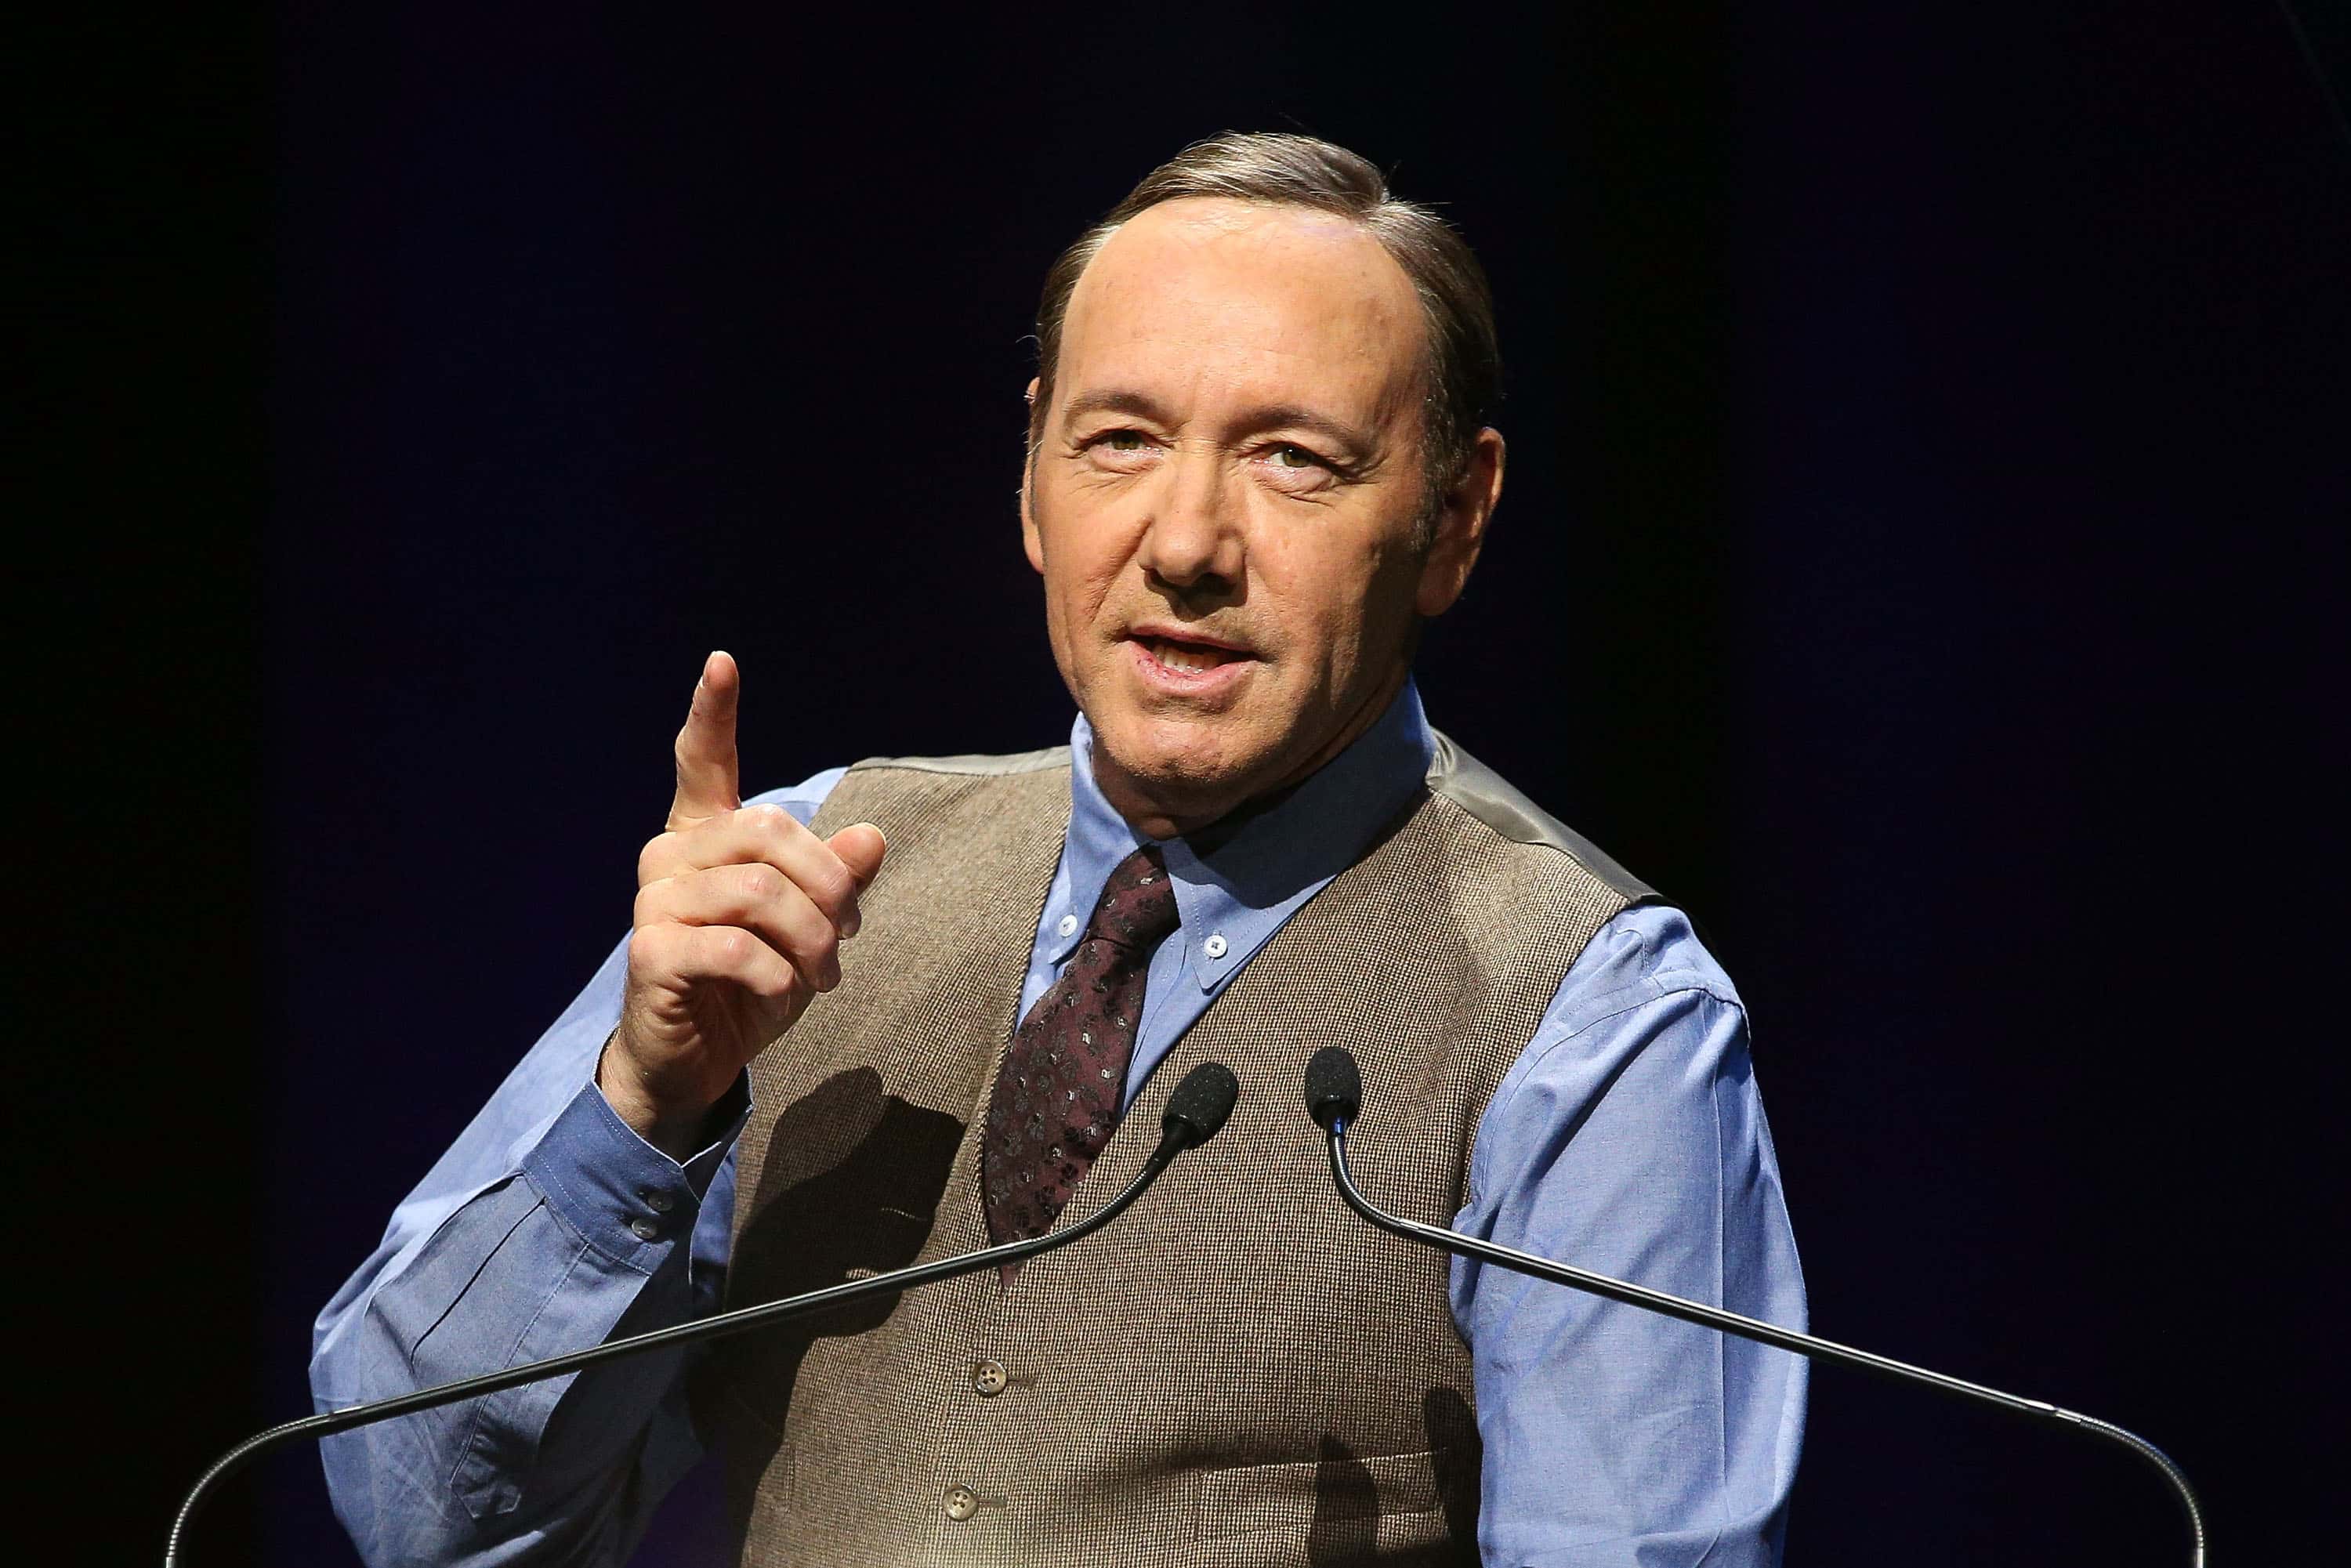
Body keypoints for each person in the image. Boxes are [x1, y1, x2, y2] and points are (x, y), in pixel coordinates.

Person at [311, 132, 1808, 1567]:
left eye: (1292, 458)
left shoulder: (1597, 1019)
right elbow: (423, 1518)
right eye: (1121, 441)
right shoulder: (803, 875)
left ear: (1456, 515)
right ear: (1033, 476)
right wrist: (641, 1109)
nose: (1185, 543)